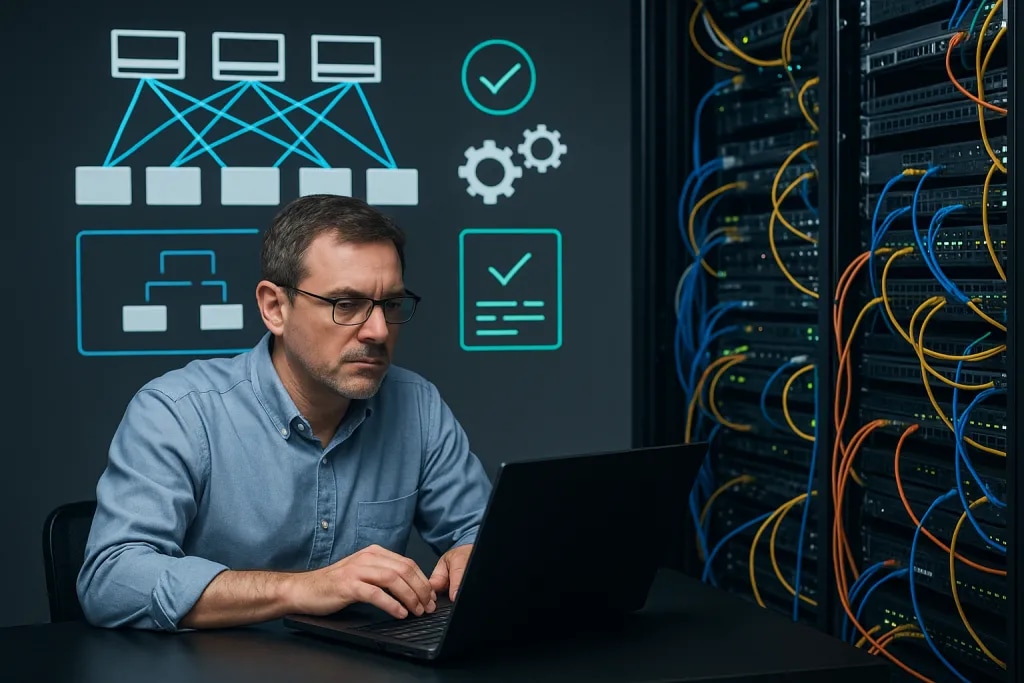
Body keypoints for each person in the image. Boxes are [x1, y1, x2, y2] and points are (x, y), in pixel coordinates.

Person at [77, 195, 493, 631]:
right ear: (275, 308)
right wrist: (300, 589)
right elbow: (111, 580)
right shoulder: (178, 412)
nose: (378, 331)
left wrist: (474, 554)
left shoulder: (417, 405)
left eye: (390, 304)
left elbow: (481, 533)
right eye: (345, 305)